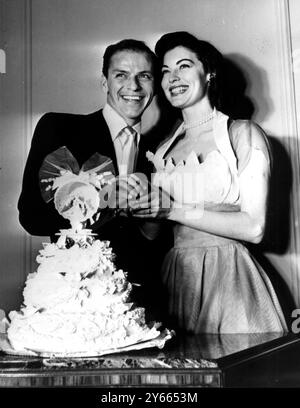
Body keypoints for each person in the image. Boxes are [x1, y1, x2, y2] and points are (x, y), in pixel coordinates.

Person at [132, 31, 288, 333]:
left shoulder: (242, 133)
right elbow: (152, 233)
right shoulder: (162, 148)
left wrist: (170, 209)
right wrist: (139, 202)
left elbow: (254, 228)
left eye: (184, 66)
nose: (173, 77)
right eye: (165, 71)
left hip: (229, 278)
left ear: (209, 73)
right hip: (176, 279)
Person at [18, 38, 171, 316]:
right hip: (75, 300)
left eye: (144, 76)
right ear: (104, 83)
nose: (133, 86)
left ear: (154, 86)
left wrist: (154, 222)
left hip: (141, 305)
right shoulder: (60, 128)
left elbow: (160, 244)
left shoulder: (162, 151)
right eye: (121, 75)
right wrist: (102, 202)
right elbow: (30, 216)